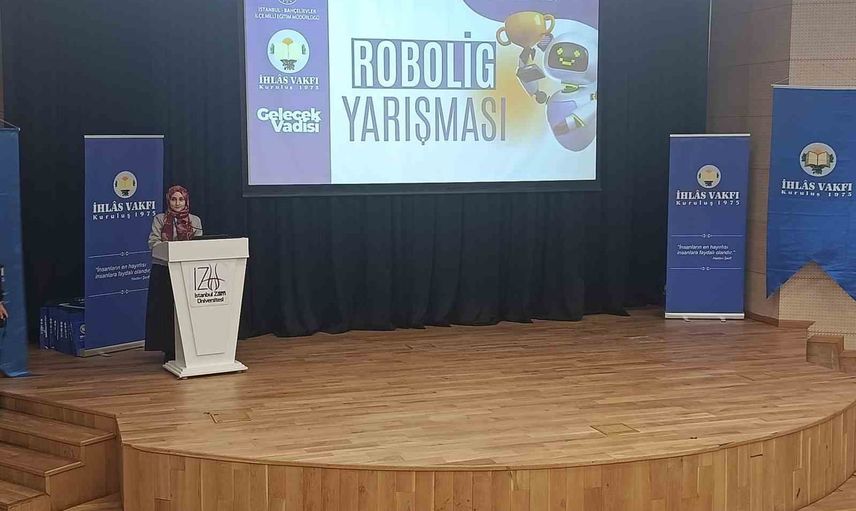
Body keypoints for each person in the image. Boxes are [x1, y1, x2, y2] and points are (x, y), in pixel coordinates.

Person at [145, 185, 203, 363]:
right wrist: (172, 249)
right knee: (166, 311)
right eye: (173, 199)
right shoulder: (160, 219)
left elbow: (200, 243)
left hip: (188, 270)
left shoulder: (194, 220)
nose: (177, 203)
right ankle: (169, 350)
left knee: (186, 311)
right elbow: (153, 243)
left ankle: (189, 348)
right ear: (168, 200)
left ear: (186, 201)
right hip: (164, 269)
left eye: (181, 199)